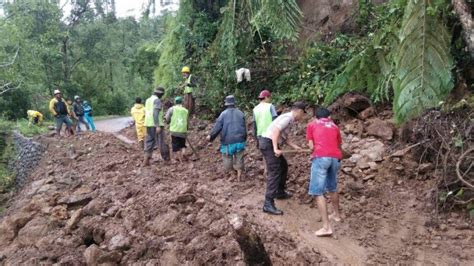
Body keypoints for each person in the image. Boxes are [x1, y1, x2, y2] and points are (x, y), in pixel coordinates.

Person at [259, 102, 307, 215]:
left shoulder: (289, 120)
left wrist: (295, 147)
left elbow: (284, 136)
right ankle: (268, 203)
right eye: (303, 114)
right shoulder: (287, 117)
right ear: (299, 111)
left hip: (269, 143)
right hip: (268, 143)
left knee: (283, 165)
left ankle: (279, 192)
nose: (302, 117)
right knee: (274, 171)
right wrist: (275, 148)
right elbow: (275, 131)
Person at [306, 107, 343, 237]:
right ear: (329, 117)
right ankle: (337, 215)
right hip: (335, 158)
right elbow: (338, 145)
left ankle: (326, 227)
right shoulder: (334, 126)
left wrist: (313, 151)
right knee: (332, 187)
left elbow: (311, 146)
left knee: (317, 192)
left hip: (321, 158)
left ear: (316, 117)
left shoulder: (312, 125)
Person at [207, 95, 247, 181]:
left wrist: (211, 137)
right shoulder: (240, 113)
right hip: (240, 140)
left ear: (226, 104)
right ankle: (240, 173)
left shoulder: (223, 114)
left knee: (227, 157)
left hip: (228, 142)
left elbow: (217, 127)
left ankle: (232, 173)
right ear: (234, 103)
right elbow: (244, 127)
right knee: (239, 157)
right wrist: (244, 138)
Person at [143, 87, 170, 166]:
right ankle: (167, 160)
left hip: (148, 124)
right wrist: (157, 125)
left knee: (149, 141)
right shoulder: (157, 100)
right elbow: (155, 113)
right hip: (156, 125)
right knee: (161, 142)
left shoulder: (148, 100)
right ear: (160, 94)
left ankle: (146, 160)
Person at [165, 96, 189, 163]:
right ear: (182, 102)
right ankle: (184, 153)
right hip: (183, 130)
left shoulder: (172, 109)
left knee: (176, 146)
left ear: (175, 102)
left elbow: (167, 119)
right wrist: (187, 128)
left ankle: (180, 160)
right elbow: (187, 121)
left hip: (174, 130)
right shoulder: (185, 110)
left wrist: (168, 122)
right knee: (183, 144)